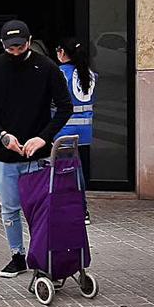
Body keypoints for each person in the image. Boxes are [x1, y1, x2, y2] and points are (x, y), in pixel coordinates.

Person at [0, 19, 72, 279]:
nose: (15, 52)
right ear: (2, 45)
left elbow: (65, 107)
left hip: (37, 153)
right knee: (9, 207)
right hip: (4, 152)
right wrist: (3, 135)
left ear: (30, 42)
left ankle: (41, 256)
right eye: (10, 48)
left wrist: (43, 138)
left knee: (40, 208)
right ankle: (17, 256)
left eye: (20, 47)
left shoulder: (47, 67)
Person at [55, 37, 97, 225]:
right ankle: (80, 208)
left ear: (63, 53)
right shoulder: (89, 74)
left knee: (66, 172)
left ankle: (77, 209)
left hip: (64, 131)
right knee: (78, 170)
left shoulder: (59, 74)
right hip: (85, 130)